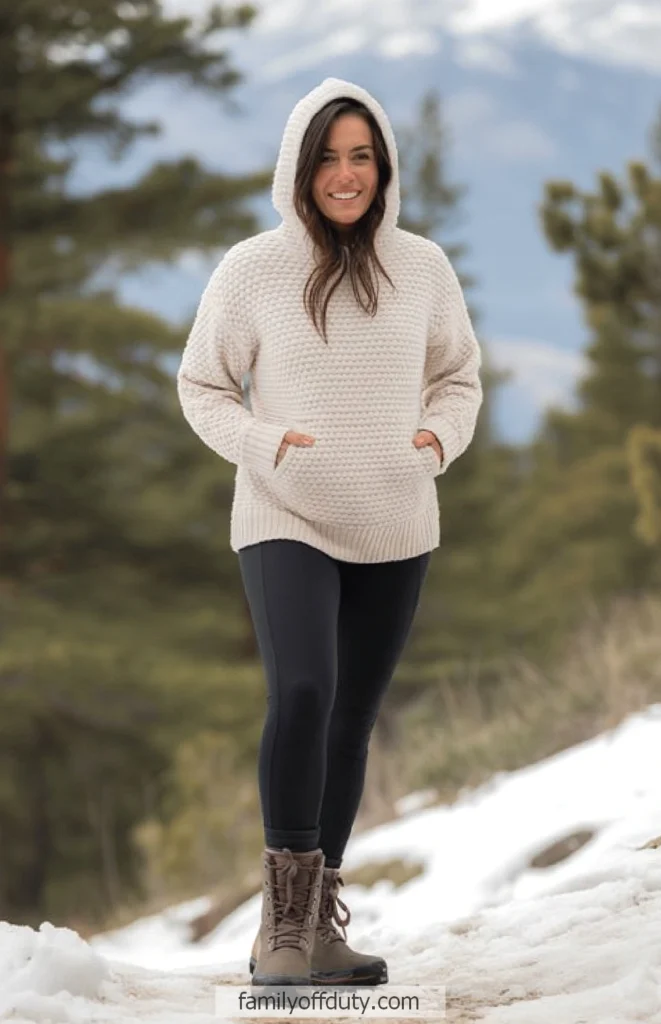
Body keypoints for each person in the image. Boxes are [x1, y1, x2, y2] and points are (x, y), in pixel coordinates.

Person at [176, 77, 483, 988]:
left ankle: (318, 929)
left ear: (381, 166)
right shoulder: (252, 269)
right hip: (284, 511)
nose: (345, 175)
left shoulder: (421, 267)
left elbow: (459, 378)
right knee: (303, 690)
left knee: (351, 721)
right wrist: (263, 442)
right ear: (298, 170)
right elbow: (200, 386)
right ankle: (278, 927)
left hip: (396, 516)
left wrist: (436, 438)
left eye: (361, 157)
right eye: (328, 158)